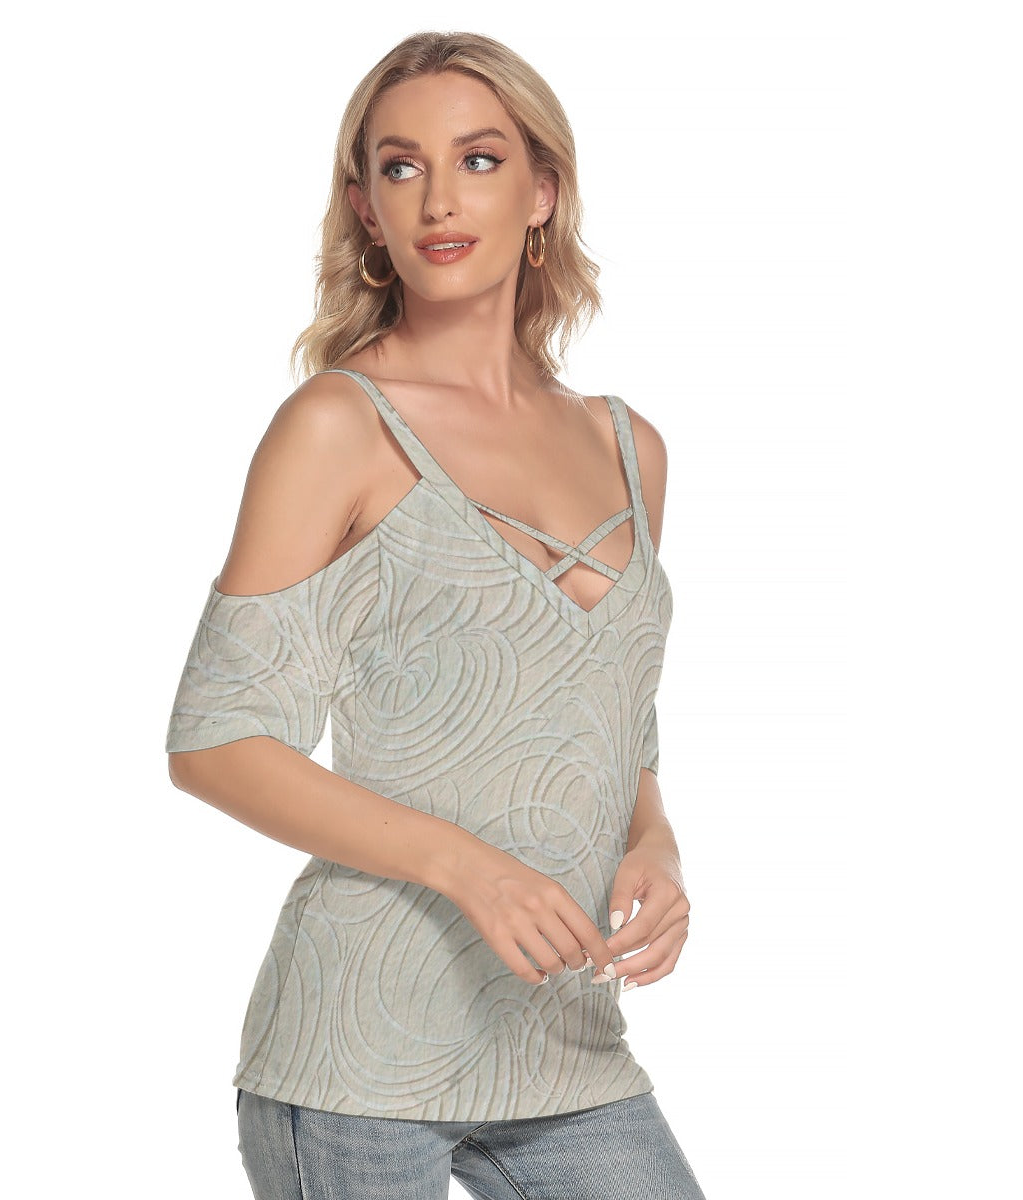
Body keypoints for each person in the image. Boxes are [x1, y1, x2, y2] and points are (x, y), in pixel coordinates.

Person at [165, 30, 706, 1200]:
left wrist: (653, 843)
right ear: (366, 207)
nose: (439, 198)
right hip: (360, 1055)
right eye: (401, 167)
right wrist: (472, 871)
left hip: (566, 1044)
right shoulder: (338, 425)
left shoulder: (630, 447)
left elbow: (614, 718)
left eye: (479, 159)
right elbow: (214, 741)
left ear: (542, 192)